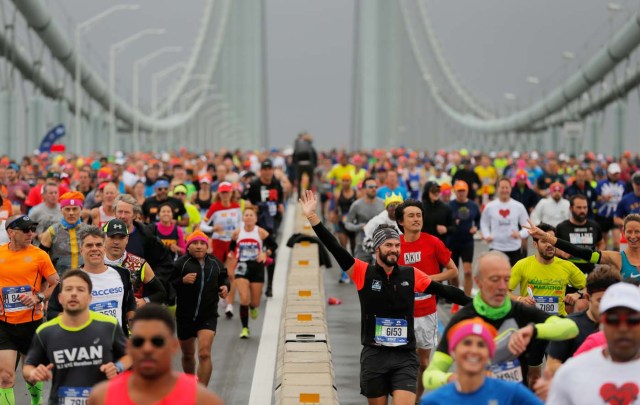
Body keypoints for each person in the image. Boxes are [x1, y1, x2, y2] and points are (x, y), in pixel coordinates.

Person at [300, 190, 470, 405]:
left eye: (397, 246)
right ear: (378, 248)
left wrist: (484, 305)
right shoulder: (363, 273)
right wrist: (312, 217)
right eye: (388, 245)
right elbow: (335, 247)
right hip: (375, 356)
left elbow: (448, 292)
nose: (394, 250)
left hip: (405, 357)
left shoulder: (411, 274)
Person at [423, 251, 579, 390]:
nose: (502, 287)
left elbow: (570, 328)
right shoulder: (463, 319)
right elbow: (430, 376)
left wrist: (534, 330)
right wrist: (452, 378)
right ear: (478, 282)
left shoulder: (521, 312)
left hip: (514, 398)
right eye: (495, 279)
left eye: (506, 279)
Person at [23, 270, 129, 405]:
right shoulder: (46, 331)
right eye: (68, 289)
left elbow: (130, 355)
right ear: (60, 298)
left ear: (90, 298)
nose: (74, 293)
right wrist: (33, 373)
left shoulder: (109, 325)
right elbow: (28, 367)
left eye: (80, 289)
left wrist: (117, 367)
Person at [87, 304, 223, 405]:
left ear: (174, 346)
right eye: (139, 342)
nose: (147, 349)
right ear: (128, 347)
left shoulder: (202, 400)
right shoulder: (101, 397)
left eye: (157, 342)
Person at [395, 199, 459, 399]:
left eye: (419, 215)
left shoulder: (433, 242)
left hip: (426, 313)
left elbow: (452, 271)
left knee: (423, 363)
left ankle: (417, 399)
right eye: (411, 216)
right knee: (403, 363)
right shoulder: (394, 245)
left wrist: (429, 279)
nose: (416, 219)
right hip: (401, 314)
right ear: (400, 221)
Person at [546, 282, 640, 404]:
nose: (623, 328)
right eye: (613, 319)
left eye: (632, 320)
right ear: (601, 323)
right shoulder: (572, 372)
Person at [0, 215, 60, 405]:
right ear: (11, 232)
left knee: (32, 376)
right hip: (4, 324)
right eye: (25, 230)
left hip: (31, 323)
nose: (31, 234)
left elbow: (56, 284)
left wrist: (38, 297)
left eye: (32, 230)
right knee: (5, 377)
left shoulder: (39, 255)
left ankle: (36, 402)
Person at [420, 318, 543, 405]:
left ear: (489, 355)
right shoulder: (434, 401)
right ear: (453, 352)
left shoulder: (513, 393)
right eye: (467, 343)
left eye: (481, 345)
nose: (474, 350)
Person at [47, 226, 137, 335]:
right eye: (89, 245)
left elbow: (130, 302)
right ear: (81, 250)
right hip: (86, 344)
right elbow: (52, 313)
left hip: (117, 342)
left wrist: (133, 324)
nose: (94, 248)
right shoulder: (70, 279)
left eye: (98, 245)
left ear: (104, 248)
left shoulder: (123, 274)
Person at [170, 231, 229, 385]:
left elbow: (224, 278)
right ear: (188, 246)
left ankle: (200, 392)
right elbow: (169, 285)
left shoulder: (215, 263)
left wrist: (224, 287)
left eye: (202, 243)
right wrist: (181, 281)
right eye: (194, 243)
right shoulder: (180, 264)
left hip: (207, 315)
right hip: (185, 316)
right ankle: (190, 384)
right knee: (188, 355)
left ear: (206, 246)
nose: (198, 246)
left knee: (204, 354)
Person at [544, 266, 622, 374]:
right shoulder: (567, 325)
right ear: (587, 298)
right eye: (600, 300)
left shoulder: (625, 327)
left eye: (612, 299)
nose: (606, 306)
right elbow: (551, 366)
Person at [526, 213, 640, 280]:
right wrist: (547, 237)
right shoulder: (617, 258)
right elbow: (582, 252)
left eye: (637, 231)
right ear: (623, 232)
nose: (633, 236)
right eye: (629, 232)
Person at [113, 194, 175, 303]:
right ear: (115, 212)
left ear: (135, 215)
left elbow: (166, 264)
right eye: (120, 211)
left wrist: (151, 282)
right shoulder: (104, 235)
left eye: (126, 212)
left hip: (139, 299)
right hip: (113, 295)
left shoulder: (147, 237)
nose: (122, 216)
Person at [227, 207, 274, 338]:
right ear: (243, 218)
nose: (248, 217)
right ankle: (245, 328)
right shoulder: (237, 233)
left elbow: (273, 245)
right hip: (242, 266)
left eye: (251, 215)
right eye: (246, 215)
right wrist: (231, 253)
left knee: (254, 302)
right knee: (243, 298)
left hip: (257, 267)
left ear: (255, 218)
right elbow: (231, 246)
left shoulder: (260, 232)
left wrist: (265, 253)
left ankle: (253, 308)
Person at [242, 159, 284, 297]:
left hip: (272, 222)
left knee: (271, 250)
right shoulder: (254, 184)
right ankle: (252, 281)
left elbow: (281, 199)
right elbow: (245, 198)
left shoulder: (276, 183)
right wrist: (251, 207)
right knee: (255, 251)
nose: (267, 172)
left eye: (269, 169)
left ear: (272, 170)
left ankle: (270, 285)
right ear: (261, 171)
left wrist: (280, 207)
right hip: (258, 222)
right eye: (265, 169)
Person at [102, 219, 166, 307]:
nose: (116, 242)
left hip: (130, 319)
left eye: (121, 237)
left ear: (127, 239)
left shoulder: (139, 264)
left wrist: (144, 301)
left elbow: (161, 293)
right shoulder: (94, 262)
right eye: (112, 237)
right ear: (103, 238)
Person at [480, 177, 530, 266]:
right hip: (495, 247)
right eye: (502, 187)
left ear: (510, 189)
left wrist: (520, 234)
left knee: (513, 278)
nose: (504, 190)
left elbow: (527, 226)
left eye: (506, 188)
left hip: (514, 248)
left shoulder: (518, 206)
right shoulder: (490, 206)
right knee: (495, 275)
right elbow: (484, 223)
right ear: (498, 189)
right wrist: (487, 235)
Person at [39, 191, 91, 275]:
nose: (71, 213)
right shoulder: (52, 231)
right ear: (61, 211)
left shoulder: (89, 231)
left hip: (86, 277)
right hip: (60, 279)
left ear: (81, 210)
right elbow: (40, 259)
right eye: (67, 209)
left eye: (75, 209)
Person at [449, 180, 481, 295]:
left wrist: (476, 227)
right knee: (453, 273)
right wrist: (453, 223)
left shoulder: (473, 205)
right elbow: (446, 221)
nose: (461, 193)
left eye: (463, 191)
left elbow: (478, 219)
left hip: (467, 241)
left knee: (467, 271)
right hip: (452, 242)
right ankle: (455, 298)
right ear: (455, 192)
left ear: (467, 191)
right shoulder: (450, 205)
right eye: (459, 191)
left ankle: (466, 300)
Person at [344, 177, 385, 263]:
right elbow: (347, 224)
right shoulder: (357, 205)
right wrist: (360, 226)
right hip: (361, 246)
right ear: (363, 189)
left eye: (375, 187)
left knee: (379, 275)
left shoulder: (383, 204)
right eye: (370, 187)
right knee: (361, 275)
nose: (374, 189)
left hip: (380, 246)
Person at [595, 162, 626, 251]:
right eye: (614, 174)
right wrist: (603, 197)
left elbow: (625, 198)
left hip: (616, 216)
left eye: (617, 174)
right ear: (608, 173)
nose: (615, 176)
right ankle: (604, 261)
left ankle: (616, 260)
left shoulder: (622, 184)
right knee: (604, 241)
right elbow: (595, 197)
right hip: (603, 216)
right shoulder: (601, 184)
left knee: (616, 241)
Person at [362, 193, 403, 258]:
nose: (395, 208)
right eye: (392, 205)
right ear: (387, 208)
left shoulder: (406, 219)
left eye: (398, 205)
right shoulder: (378, 221)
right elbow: (366, 242)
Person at [421, 181, 457, 245]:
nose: (436, 193)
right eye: (433, 190)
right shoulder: (420, 208)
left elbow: (454, 227)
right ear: (427, 192)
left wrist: (446, 229)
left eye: (438, 190)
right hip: (424, 245)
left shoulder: (446, 208)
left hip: (440, 245)